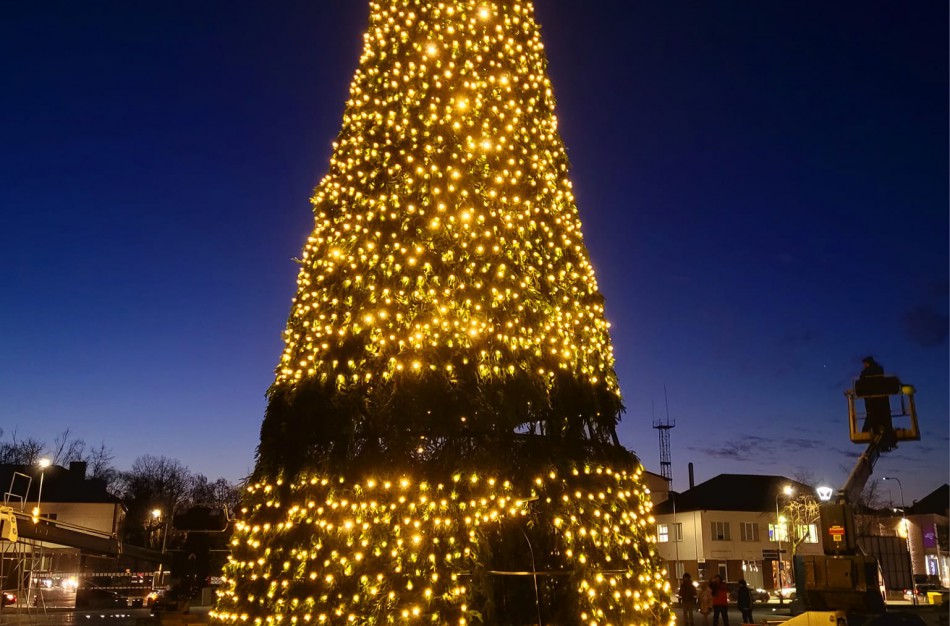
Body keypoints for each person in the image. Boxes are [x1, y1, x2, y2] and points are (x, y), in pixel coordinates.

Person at [858, 356, 896, 448]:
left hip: (871, 399)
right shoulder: (879, 370)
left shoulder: (865, 372)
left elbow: (861, 382)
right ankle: (886, 432)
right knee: (884, 416)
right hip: (882, 399)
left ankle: (868, 430)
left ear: (867, 363)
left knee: (871, 415)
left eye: (864, 364)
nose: (863, 366)